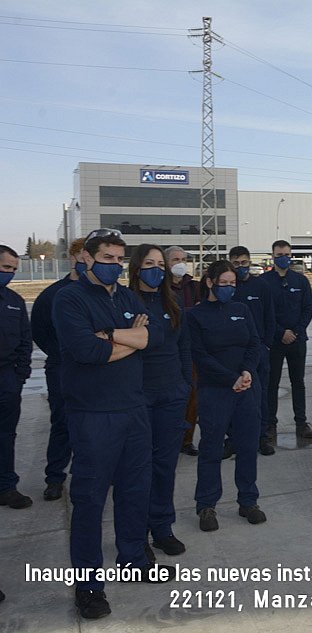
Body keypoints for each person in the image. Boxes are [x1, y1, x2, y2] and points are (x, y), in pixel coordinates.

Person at [53, 229, 172, 619]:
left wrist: (110, 336)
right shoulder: (69, 299)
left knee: (135, 490)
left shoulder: (126, 296)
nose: (114, 266)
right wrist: (131, 339)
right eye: (107, 258)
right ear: (87, 258)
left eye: (119, 260)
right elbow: (87, 350)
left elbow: (155, 336)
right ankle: (88, 587)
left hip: (133, 409)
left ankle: (133, 559)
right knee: (89, 501)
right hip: (93, 414)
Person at [188, 260, 265, 531]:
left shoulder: (241, 310)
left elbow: (254, 343)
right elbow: (199, 355)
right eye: (224, 283)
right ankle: (206, 505)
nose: (229, 288)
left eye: (233, 284)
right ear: (210, 282)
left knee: (247, 446)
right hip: (215, 390)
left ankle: (248, 500)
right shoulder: (195, 316)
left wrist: (246, 372)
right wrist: (230, 379)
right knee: (211, 448)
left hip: (246, 388)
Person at [128, 244, 191, 558]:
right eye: (149, 263)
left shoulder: (173, 302)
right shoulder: (125, 302)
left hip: (171, 396)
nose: (156, 269)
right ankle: (136, 534)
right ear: (137, 268)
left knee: (165, 467)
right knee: (137, 470)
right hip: (138, 397)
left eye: (160, 264)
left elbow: (183, 348)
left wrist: (185, 386)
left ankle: (162, 528)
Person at [30, 237, 85, 501]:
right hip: (61, 367)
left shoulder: (106, 293)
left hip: (97, 369)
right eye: (83, 257)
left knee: (93, 424)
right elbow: (39, 330)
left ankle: (93, 473)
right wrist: (63, 353)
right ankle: (55, 477)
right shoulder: (52, 294)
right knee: (62, 422)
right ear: (73, 258)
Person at [261, 240, 312, 440]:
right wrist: (280, 332)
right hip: (274, 342)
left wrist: (296, 332)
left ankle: (301, 423)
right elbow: (264, 313)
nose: (283, 258)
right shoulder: (264, 282)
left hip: (297, 341)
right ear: (272, 256)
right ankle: (270, 424)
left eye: (286, 254)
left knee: (298, 382)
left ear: (291, 255)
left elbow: (307, 309)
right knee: (271, 383)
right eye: (279, 255)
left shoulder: (300, 281)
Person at [229, 246, 278, 456]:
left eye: (244, 262)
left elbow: (270, 317)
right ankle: (232, 439)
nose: (240, 267)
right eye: (236, 263)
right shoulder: (228, 287)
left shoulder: (261, 286)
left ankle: (261, 437)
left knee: (260, 395)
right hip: (232, 352)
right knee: (232, 396)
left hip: (258, 351)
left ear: (250, 262)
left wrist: (266, 345)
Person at [0, 244, 32, 510]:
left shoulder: (14, 301)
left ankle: (6, 487)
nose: (9, 273)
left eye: (12, 269)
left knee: (6, 435)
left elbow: (24, 341)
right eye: (5, 267)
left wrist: (20, 374)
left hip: (7, 378)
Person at [166, 246, 200, 457]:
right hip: (169, 350)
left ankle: (187, 440)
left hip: (192, 349)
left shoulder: (194, 287)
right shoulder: (161, 288)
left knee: (192, 397)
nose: (180, 263)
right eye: (175, 259)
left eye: (184, 259)